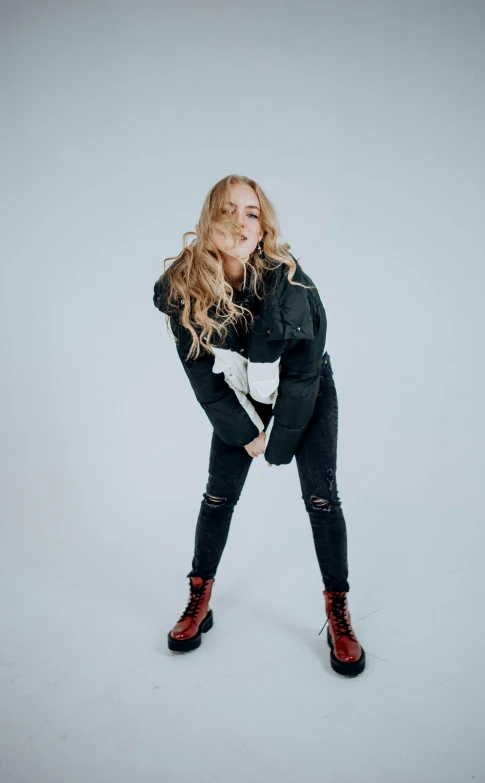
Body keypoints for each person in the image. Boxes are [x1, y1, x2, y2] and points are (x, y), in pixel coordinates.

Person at [153, 174, 365, 676]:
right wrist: (246, 433)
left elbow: (304, 372)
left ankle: (338, 609)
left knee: (321, 497)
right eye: (229, 211)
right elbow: (202, 377)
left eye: (252, 212)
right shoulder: (186, 287)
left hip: (304, 390)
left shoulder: (291, 282)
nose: (242, 222)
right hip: (239, 392)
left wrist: (277, 446)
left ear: (263, 222)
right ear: (209, 220)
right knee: (217, 496)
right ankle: (198, 598)